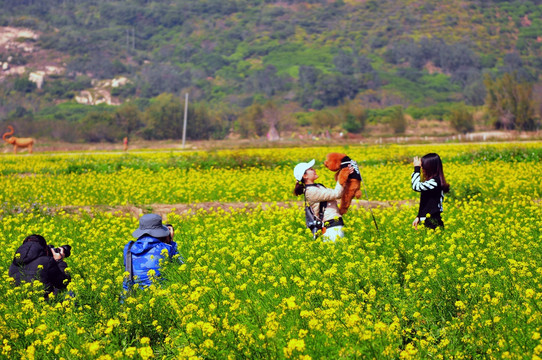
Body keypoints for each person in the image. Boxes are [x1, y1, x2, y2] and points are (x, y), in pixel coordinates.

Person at [293, 159, 350, 242]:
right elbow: (337, 194)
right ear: (305, 176)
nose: (314, 170)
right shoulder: (311, 191)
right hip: (331, 228)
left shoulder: (317, 187)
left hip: (334, 224)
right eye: (311, 169)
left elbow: (336, 193)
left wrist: (344, 174)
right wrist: (342, 176)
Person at [123, 214, 183, 291]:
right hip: (161, 296)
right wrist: (171, 242)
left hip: (132, 297)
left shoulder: (128, 248)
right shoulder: (166, 248)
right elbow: (181, 266)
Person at [8, 234, 71, 298]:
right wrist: (59, 261)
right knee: (70, 293)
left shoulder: (13, 265)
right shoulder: (47, 261)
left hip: (21, 303)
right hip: (46, 303)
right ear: (44, 249)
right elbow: (63, 282)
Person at [411, 153, 450, 230]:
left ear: (430, 168)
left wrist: (416, 169)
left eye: (423, 167)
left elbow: (416, 186)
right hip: (428, 220)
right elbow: (426, 202)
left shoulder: (435, 182)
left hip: (433, 222)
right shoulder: (432, 182)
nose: (422, 169)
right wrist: (419, 217)